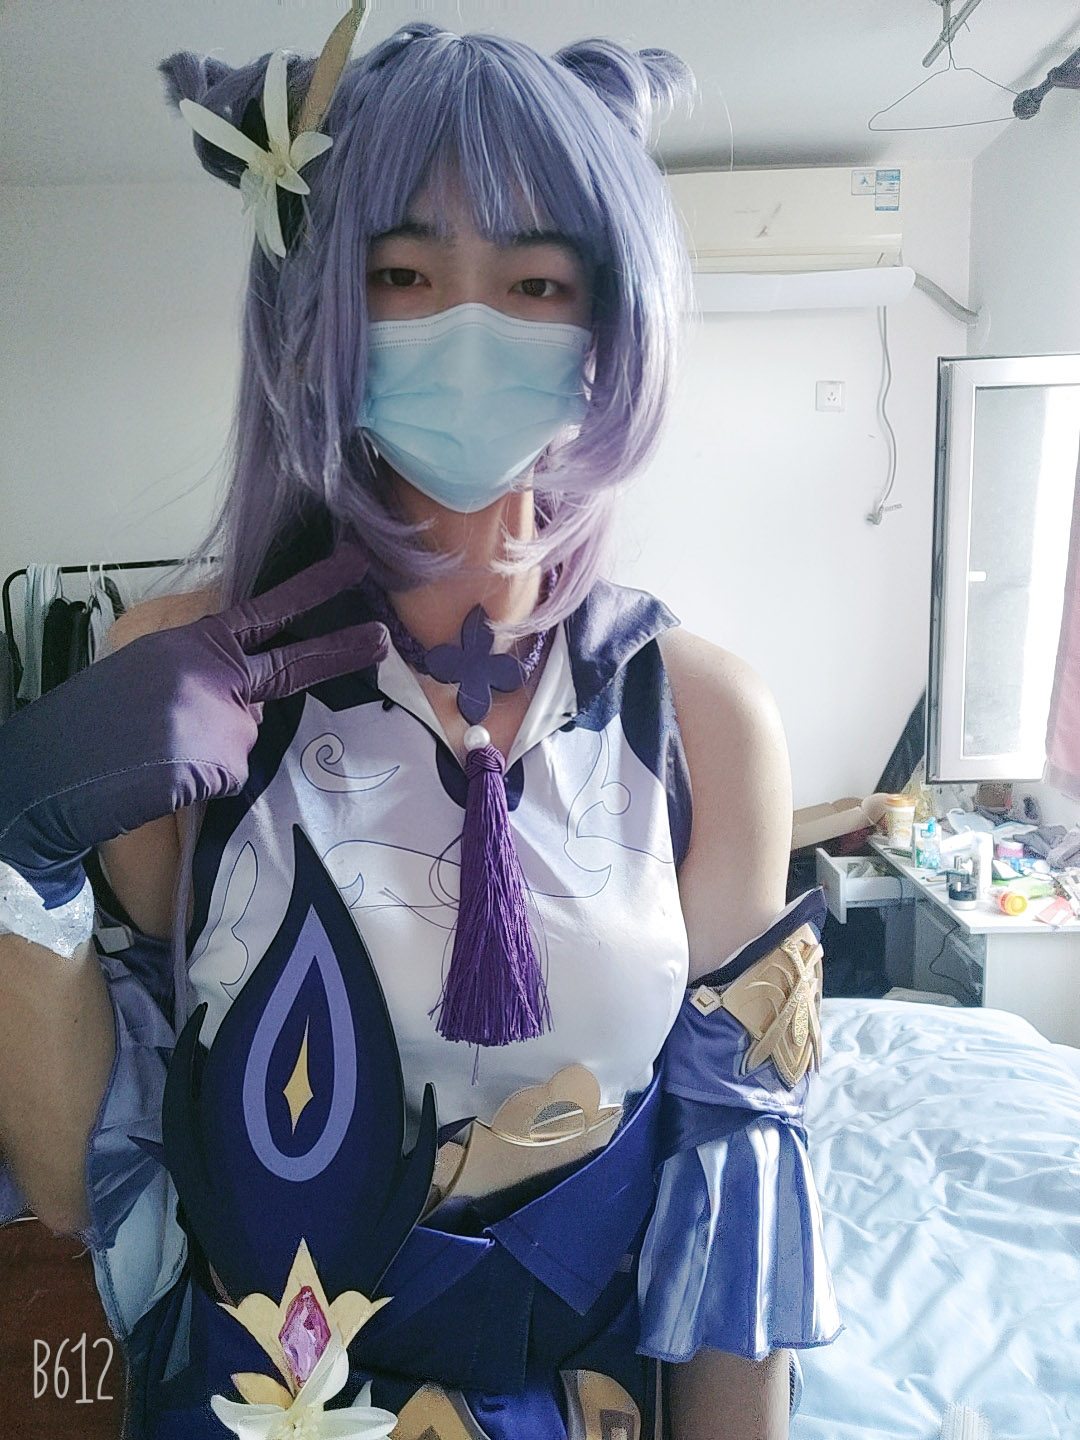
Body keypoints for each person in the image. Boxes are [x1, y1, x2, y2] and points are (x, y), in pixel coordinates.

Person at [0, 15, 840, 1439]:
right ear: (320, 303)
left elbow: (732, 1207)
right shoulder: (171, 673)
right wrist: (22, 851)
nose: (469, 326)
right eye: (400, 273)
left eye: (536, 280)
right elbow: (80, 1183)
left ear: (610, 320)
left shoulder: (705, 718)